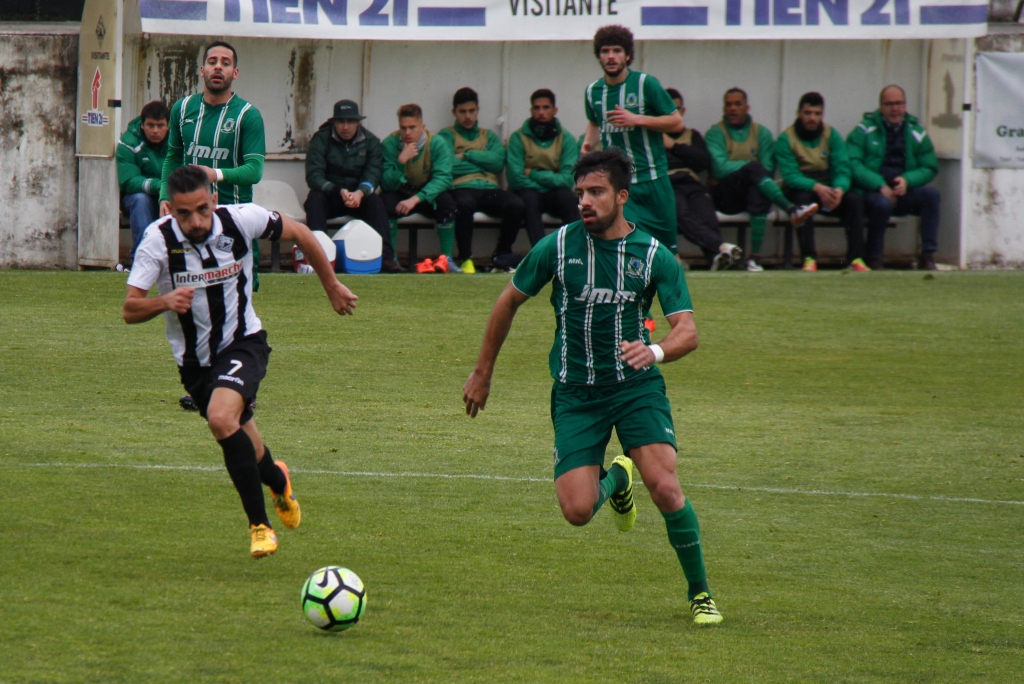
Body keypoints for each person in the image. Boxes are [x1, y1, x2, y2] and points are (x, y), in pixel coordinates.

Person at [463, 149, 723, 627]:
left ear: (621, 196)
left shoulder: (652, 255)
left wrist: (657, 351)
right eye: (580, 192)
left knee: (665, 487)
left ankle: (700, 593)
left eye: (596, 191)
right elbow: (507, 303)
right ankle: (617, 479)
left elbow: (687, 331)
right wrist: (483, 372)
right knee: (578, 511)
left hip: (635, 389)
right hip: (576, 394)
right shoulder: (557, 247)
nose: (584, 200)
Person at [124, 165, 358, 558]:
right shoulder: (157, 241)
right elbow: (129, 309)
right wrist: (163, 301)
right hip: (195, 365)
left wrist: (331, 284)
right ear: (169, 209)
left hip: (244, 344)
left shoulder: (240, 219)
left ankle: (259, 525)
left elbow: (301, 233)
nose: (195, 221)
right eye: (184, 213)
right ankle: (277, 479)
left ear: (214, 200)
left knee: (220, 419)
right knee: (247, 445)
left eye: (202, 209)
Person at [159, 41, 267, 289]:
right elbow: (173, 158)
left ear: (235, 73)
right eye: (212, 62)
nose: (218, 67)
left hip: (233, 217)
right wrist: (165, 196)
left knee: (238, 292)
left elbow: (254, 171)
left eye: (226, 63)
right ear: (202, 70)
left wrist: (214, 174)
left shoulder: (247, 115)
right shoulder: (183, 108)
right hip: (192, 217)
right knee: (189, 288)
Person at [582, 25, 683, 255]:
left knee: (667, 254)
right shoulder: (592, 92)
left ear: (627, 55)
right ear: (598, 56)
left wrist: (636, 119)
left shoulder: (645, 84)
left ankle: (673, 289)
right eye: (605, 51)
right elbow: (595, 123)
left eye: (617, 51)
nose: (611, 57)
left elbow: (676, 122)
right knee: (624, 248)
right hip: (621, 184)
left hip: (655, 180)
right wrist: (588, 146)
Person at [705, 88, 818, 271]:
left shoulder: (762, 134)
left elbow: (767, 169)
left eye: (737, 104)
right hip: (725, 196)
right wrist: (749, 166)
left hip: (751, 193)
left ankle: (755, 260)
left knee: (758, 187)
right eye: (728, 104)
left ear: (747, 107)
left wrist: (746, 169)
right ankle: (791, 209)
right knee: (755, 170)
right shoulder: (715, 133)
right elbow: (719, 169)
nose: (732, 108)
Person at [847, 85, 940, 271]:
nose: (895, 109)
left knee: (932, 196)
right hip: (872, 191)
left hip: (903, 191)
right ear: (881, 106)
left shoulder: (917, 132)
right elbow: (852, 163)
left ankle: (927, 255)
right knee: (882, 204)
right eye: (889, 104)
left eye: (899, 103)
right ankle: (873, 257)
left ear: (905, 105)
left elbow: (930, 166)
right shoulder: (864, 129)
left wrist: (907, 180)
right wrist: (879, 185)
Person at [304, 99, 403, 273]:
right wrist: (337, 190)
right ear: (334, 122)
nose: (346, 127)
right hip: (331, 196)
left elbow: (374, 173)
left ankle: (387, 258)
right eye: (341, 121)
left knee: (376, 202)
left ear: (358, 122)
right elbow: (314, 176)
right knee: (314, 199)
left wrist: (360, 193)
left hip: (359, 198)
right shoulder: (320, 139)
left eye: (351, 122)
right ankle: (319, 257)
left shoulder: (371, 141)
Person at [776, 92, 869, 272]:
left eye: (817, 114)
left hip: (829, 191)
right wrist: (817, 187)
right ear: (798, 113)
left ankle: (856, 258)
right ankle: (809, 258)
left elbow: (842, 167)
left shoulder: (831, 135)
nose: (812, 118)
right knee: (802, 200)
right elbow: (790, 176)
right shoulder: (786, 139)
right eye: (808, 113)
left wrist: (839, 190)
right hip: (803, 189)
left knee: (854, 200)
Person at [437, 88, 525, 273]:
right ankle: (466, 259)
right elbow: (447, 165)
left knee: (516, 204)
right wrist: (482, 161)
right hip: (462, 186)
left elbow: (498, 164)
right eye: (462, 112)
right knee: (464, 203)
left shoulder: (489, 136)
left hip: (489, 188)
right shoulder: (446, 135)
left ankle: (501, 256)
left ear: (478, 110)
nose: (468, 116)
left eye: (471, 111)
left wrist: (467, 155)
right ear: (454, 112)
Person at [663, 89, 740, 271]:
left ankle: (715, 258)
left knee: (706, 216)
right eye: (666, 110)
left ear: (682, 112)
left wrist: (674, 147)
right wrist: (684, 156)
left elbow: (702, 162)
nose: (671, 114)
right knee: (682, 215)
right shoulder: (651, 136)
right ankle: (721, 247)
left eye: (676, 110)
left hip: (691, 183)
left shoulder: (692, 135)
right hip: (667, 184)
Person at [380, 104, 460, 273]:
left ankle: (446, 259)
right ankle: (391, 259)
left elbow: (443, 178)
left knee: (447, 202)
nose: (407, 133)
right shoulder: (389, 144)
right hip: (400, 191)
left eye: (412, 127)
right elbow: (386, 184)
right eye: (403, 128)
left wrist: (416, 198)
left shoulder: (437, 143)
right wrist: (401, 162)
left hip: (425, 194)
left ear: (422, 127)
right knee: (384, 202)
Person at [506, 88, 581, 247]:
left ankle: (574, 252)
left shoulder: (566, 139)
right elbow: (515, 178)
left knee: (568, 199)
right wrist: (551, 178)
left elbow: (567, 179)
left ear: (555, 110)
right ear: (531, 110)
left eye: (546, 108)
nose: (541, 112)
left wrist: (532, 173)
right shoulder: (518, 137)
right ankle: (541, 254)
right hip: (529, 192)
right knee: (529, 199)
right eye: (537, 108)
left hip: (554, 193)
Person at [117, 100, 169, 266]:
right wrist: (158, 186)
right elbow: (128, 181)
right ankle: (143, 258)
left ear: (168, 126)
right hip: (136, 200)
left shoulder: (179, 141)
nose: (155, 131)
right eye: (150, 125)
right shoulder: (129, 141)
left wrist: (168, 191)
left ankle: (181, 258)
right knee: (141, 200)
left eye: (160, 126)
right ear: (142, 125)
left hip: (169, 194)